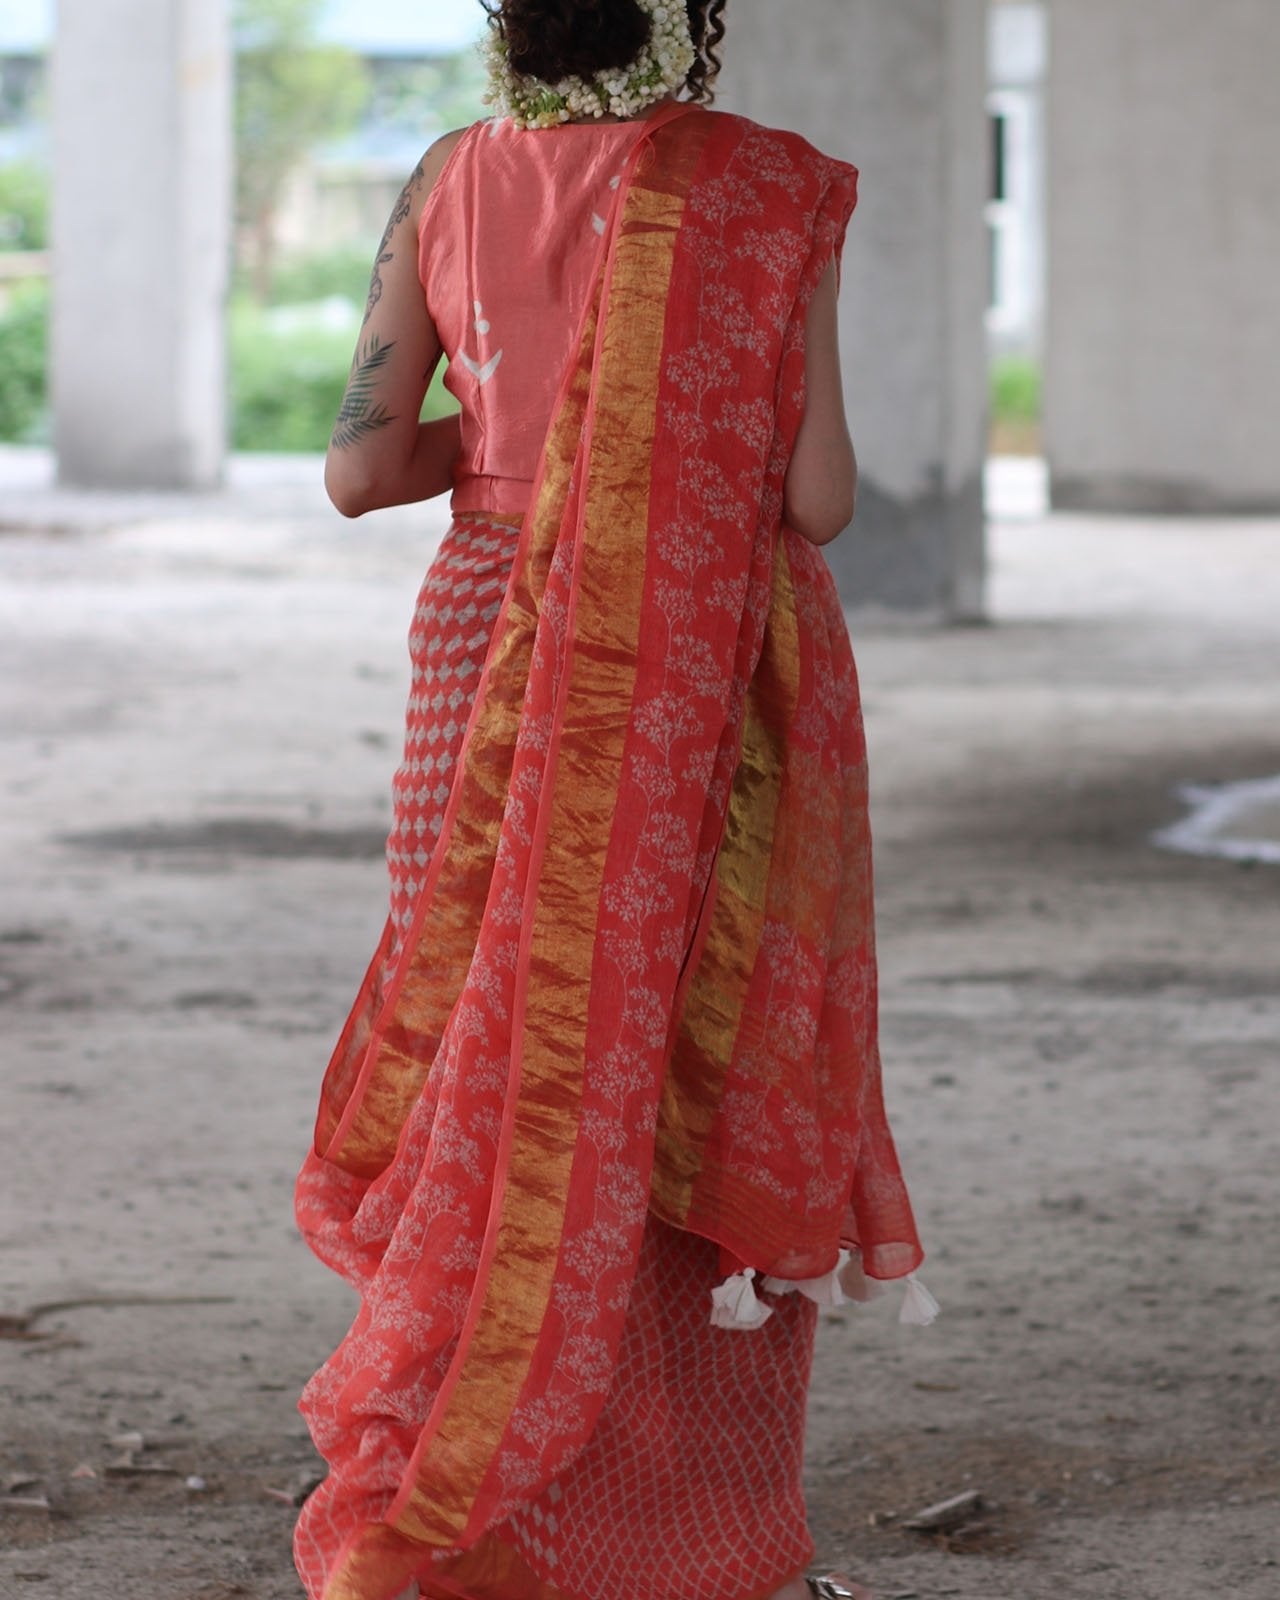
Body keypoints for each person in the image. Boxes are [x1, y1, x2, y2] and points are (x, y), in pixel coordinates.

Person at [293, 4, 933, 1599]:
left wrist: (528, 450)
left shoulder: (447, 175)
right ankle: (686, 1533)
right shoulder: (762, 187)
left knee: (496, 1056)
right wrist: (638, 452)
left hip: (483, 653)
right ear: (694, 25)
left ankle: (478, 1501)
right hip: (696, 653)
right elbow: (816, 498)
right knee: (679, 1053)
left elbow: (362, 470)